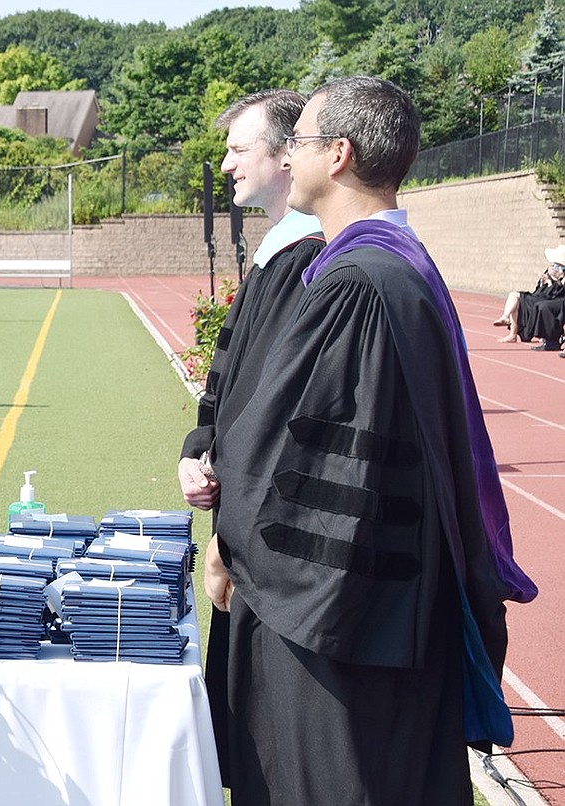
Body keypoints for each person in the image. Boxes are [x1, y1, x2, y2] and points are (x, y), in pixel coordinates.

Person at [208, 76, 537, 804]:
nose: (287, 158)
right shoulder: (393, 268)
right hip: (385, 620)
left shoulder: (359, 285)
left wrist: (229, 543)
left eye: (297, 143)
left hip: (340, 634)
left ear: (341, 154)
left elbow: (292, 460)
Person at [174, 89, 325, 783]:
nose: (228, 163)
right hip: (243, 520)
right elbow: (232, 380)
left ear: (287, 154)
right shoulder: (277, 248)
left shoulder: (314, 259)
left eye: (240, 149)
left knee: (275, 744)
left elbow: (278, 414)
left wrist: (232, 541)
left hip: (274, 546)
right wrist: (196, 447)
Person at [492, 245, 565, 346]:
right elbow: (539, 288)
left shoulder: (562, 274)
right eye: (554, 264)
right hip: (539, 295)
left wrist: (555, 281)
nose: (555, 267)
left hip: (551, 299)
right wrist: (544, 279)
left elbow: (558, 293)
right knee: (514, 295)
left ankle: (542, 334)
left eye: (558, 265)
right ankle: (508, 324)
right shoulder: (550, 270)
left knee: (531, 302)